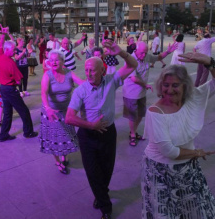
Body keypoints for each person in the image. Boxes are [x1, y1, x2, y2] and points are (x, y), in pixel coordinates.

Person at [65, 40, 138, 219]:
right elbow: (69, 117)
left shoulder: (111, 82)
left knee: (107, 169)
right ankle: (106, 207)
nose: (89, 73)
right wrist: (91, 125)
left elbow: (133, 65)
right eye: (87, 70)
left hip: (108, 133)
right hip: (88, 136)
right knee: (92, 171)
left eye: (93, 70)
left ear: (103, 71)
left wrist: (120, 52)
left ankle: (100, 194)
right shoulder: (80, 91)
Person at [141, 52, 215, 219]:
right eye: (165, 85)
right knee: (168, 213)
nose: (169, 90)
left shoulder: (194, 97)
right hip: (161, 171)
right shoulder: (155, 112)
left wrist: (210, 63)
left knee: (197, 209)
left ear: (184, 86)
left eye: (175, 85)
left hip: (188, 166)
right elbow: (170, 152)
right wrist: (198, 153)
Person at [123, 41, 177, 146]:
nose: (144, 55)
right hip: (131, 93)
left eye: (145, 53)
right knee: (132, 116)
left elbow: (158, 57)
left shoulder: (146, 56)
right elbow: (134, 78)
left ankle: (132, 131)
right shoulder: (130, 59)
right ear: (136, 50)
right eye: (142, 53)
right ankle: (133, 134)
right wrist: (145, 85)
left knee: (140, 114)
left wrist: (168, 52)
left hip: (141, 93)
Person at [40, 49, 84, 174]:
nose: (53, 62)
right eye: (51, 60)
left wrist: (93, 82)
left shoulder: (69, 73)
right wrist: (48, 108)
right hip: (52, 112)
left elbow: (81, 83)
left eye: (56, 59)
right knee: (55, 138)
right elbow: (44, 93)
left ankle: (64, 156)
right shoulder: (47, 75)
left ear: (63, 61)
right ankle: (58, 161)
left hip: (66, 111)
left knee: (67, 135)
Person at [0, 34, 38, 142]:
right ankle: (28, 132)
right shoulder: (11, 63)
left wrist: (3, 35)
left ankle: (3, 135)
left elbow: (0, 45)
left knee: (8, 113)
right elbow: (19, 80)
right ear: (7, 49)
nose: (15, 52)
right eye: (13, 50)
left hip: (3, 88)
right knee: (24, 111)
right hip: (10, 89)